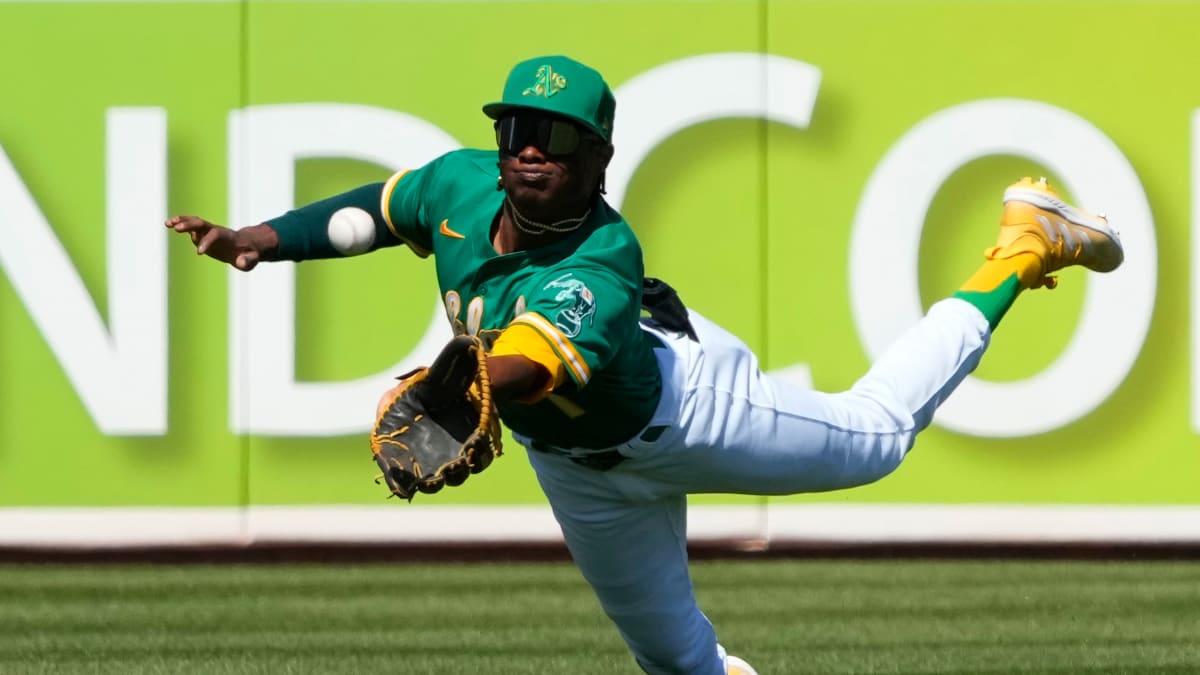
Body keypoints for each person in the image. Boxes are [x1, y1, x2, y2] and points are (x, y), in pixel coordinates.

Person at [166, 55, 1123, 675]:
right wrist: (261, 238)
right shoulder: (460, 184)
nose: (532, 150)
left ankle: (1023, 246)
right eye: (518, 132)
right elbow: (377, 210)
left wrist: (460, 389)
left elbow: (535, 362)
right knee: (676, 660)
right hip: (579, 472)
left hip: (684, 409)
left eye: (560, 139)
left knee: (876, 438)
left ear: (600, 157)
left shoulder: (601, 260)